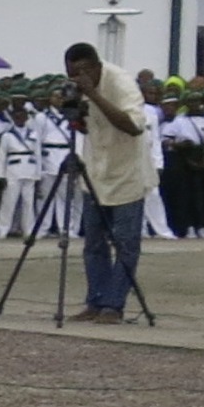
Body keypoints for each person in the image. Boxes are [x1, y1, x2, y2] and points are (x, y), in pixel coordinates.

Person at [65, 41, 154, 321]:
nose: (76, 80)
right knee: (93, 243)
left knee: (126, 244)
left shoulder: (122, 83)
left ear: (94, 67)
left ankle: (114, 305)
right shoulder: (80, 89)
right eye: (71, 75)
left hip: (127, 173)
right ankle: (96, 300)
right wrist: (75, 112)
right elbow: (84, 127)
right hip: (96, 172)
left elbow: (133, 126)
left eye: (80, 73)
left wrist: (94, 95)